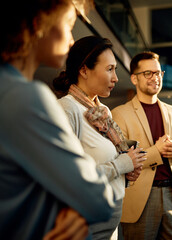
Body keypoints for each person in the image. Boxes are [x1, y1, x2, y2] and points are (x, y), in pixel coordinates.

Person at [0, 1, 116, 239]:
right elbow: (99, 200)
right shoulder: (28, 98)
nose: (72, 40)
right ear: (39, 24)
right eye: (69, 24)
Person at [53, 35, 146, 240]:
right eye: (109, 69)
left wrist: (129, 168)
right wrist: (121, 165)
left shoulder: (102, 110)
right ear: (84, 69)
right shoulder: (67, 109)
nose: (116, 78)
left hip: (109, 220)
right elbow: (68, 178)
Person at [111, 51, 172, 240]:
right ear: (134, 79)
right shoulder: (120, 114)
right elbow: (121, 161)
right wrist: (157, 151)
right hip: (140, 197)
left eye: (158, 73)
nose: (155, 78)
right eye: (148, 73)